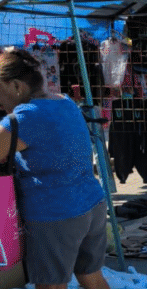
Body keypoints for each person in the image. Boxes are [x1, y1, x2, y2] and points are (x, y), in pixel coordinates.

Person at [0, 49, 110, 289]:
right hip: (92, 204)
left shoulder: (23, 119)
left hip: (55, 215)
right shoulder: (65, 102)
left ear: (17, 86)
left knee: (51, 286)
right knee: (92, 278)